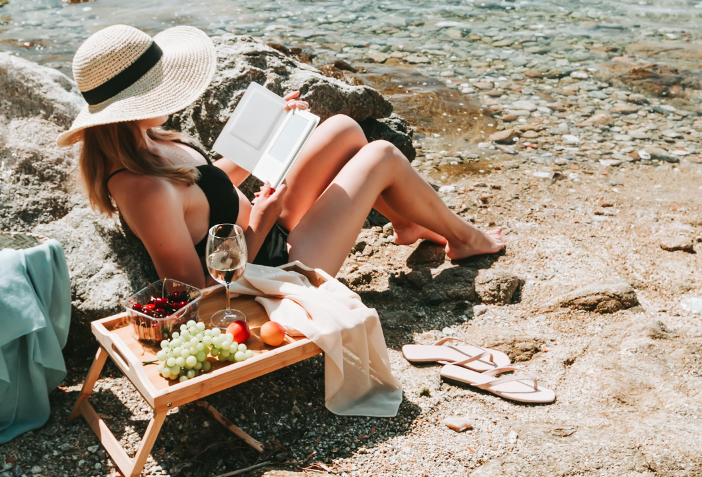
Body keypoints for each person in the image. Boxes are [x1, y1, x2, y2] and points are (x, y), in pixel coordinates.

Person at [57, 24, 503, 288]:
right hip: (272, 271)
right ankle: (464, 240)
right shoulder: (143, 188)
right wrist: (263, 219)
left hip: (265, 232)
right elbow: (199, 290)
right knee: (382, 154)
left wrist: (274, 132)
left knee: (345, 129)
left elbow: (211, 186)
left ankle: (406, 224)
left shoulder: (148, 142)